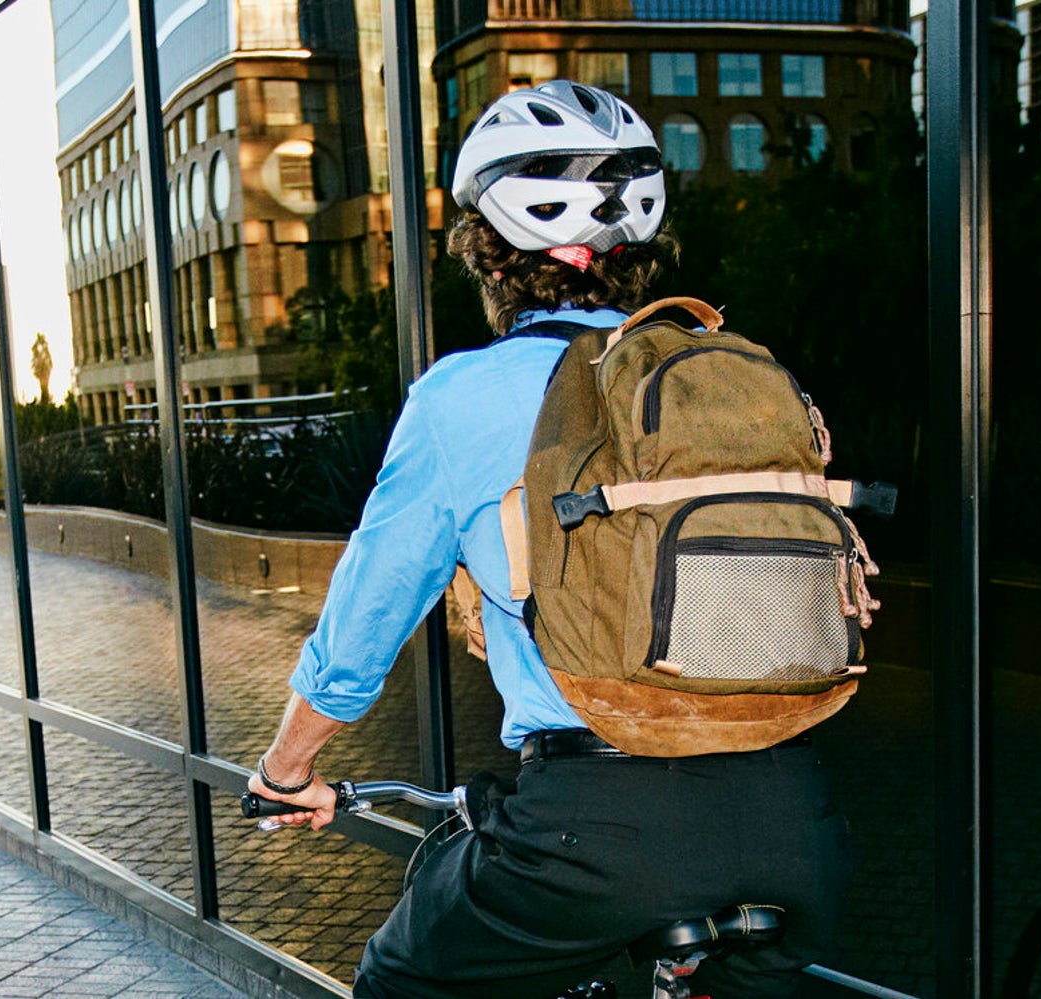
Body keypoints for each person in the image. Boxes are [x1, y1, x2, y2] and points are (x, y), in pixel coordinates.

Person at [244, 80, 851, 999]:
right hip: (797, 822)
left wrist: (288, 768)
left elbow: (362, 624)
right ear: (637, 252)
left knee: (400, 982)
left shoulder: (462, 398)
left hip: (599, 832)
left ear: (488, 254)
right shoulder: (734, 376)